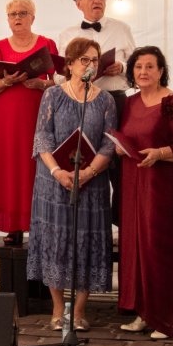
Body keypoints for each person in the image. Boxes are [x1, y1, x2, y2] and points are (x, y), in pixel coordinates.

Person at [28, 38, 117, 330]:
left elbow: (109, 143)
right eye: (83, 60)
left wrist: (88, 173)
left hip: (91, 183)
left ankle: (79, 311)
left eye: (94, 60)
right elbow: (42, 136)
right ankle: (57, 308)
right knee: (56, 242)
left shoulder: (106, 99)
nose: (89, 65)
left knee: (86, 241)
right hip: (53, 181)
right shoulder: (53, 95)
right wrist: (57, 172)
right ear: (69, 65)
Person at [116, 46, 173, 340]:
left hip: (162, 186)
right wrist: (119, 146)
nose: (143, 72)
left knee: (156, 248)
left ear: (161, 71)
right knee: (136, 247)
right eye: (138, 67)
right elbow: (130, 136)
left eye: (150, 67)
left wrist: (161, 153)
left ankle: (167, 317)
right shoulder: (130, 102)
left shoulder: (172, 103)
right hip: (134, 184)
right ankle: (143, 312)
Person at [0, 0, 59, 245]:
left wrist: (41, 83)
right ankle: (13, 225)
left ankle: (39, 221)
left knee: (38, 165)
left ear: (33, 18)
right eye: (13, 14)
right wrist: (7, 81)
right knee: (10, 165)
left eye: (23, 13)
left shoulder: (47, 43)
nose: (18, 17)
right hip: (8, 117)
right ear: (7, 19)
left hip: (39, 113)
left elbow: (60, 81)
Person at [57, 0, 135, 121]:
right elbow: (59, 76)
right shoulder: (67, 34)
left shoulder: (122, 29)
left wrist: (122, 68)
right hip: (78, 100)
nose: (97, 0)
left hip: (115, 100)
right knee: (81, 143)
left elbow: (137, 67)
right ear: (78, 4)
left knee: (115, 143)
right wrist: (75, 72)